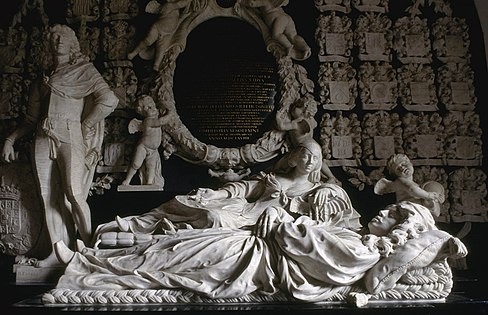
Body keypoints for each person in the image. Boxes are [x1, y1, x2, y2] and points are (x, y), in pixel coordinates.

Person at [51, 189, 466, 302]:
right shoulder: (357, 237)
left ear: (401, 234)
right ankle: (87, 259)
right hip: (253, 246)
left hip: (255, 261)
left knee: (171, 260)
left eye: (395, 218)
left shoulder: (363, 253)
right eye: (391, 211)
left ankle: (84, 270)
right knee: (176, 246)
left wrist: (285, 221)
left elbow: (307, 245)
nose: (383, 214)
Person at [1, 24, 118, 267]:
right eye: (53, 37)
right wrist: (10, 139)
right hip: (43, 137)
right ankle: (57, 252)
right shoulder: (42, 80)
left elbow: (109, 99)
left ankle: (89, 251)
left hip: (69, 134)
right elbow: (30, 121)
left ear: (73, 42)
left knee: (74, 194)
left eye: (62, 36)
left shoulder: (84, 71)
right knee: (48, 198)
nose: (57, 40)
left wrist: (86, 125)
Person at [94, 140, 361, 244]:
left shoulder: (320, 190)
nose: (311, 160)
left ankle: (149, 237)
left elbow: (336, 218)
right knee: (189, 201)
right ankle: (134, 225)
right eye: (306, 154)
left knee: (214, 219)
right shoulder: (274, 177)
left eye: (316, 156)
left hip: (256, 223)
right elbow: (242, 188)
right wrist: (216, 195)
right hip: (243, 210)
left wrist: (327, 188)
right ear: (292, 158)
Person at [374, 154, 444, 217]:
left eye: (404, 164)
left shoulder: (416, 185)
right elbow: (412, 189)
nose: (402, 168)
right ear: (396, 175)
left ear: (411, 164)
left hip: (414, 211)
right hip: (405, 210)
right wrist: (429, 195)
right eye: (398, 169)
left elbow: (435, 213)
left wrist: (435, 198)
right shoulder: (401, 181)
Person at [121, 95, 169, 187]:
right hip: (143, 147)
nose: (152, 108)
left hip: (153, 150)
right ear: (142, 112)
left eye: (152, 105)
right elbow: (161, 122)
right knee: (136, 164)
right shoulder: (148, 121)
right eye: (148, 107)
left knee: (151, 167)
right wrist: (170, 113)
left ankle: (149, 183)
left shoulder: (155, 118)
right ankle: (127, 180)